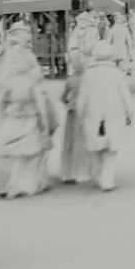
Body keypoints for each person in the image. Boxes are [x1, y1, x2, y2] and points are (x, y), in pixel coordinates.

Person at [0, 22, 56, 198]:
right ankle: (22, 183)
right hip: (26, 116)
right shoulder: (25, 70)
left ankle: (10, 183)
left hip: (13, 117)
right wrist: (45, 124)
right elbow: (39, 99)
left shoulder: (10, 71)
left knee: (11, 151)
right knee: (26, 152)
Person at [76, 42, 134, 191]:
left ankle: (97, 174)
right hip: (114, 116)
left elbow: (82, 97)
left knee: (94, 149)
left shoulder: (88, 74)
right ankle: (107, 180)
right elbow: (125, 96)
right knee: (111, 151)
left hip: (92, 116)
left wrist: (79, 114)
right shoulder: (116, 74)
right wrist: (130, 113)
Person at [59, 52, 91, 185]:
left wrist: (68, 103)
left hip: (72, 112)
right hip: (84, 113)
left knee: (70, 143)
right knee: (83, 142)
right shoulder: (88, 79)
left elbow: (62, 98)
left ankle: (69, 172)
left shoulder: (70, 80)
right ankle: (83, 171)